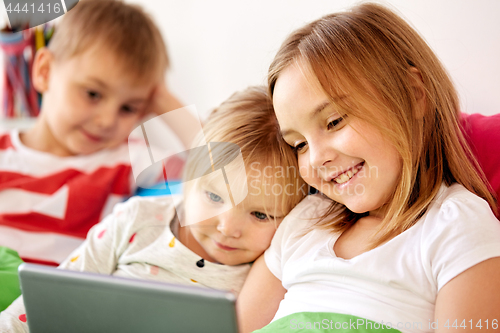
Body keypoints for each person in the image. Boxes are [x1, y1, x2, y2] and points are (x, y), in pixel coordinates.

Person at [237, 3, 500, 333]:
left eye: (334, 121)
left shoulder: (457, 228)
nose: (316, 158)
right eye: (299, 145)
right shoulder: (306, 221)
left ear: (413, 94)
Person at [0, 85, 307, 332]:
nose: (226, 227)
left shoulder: (267, 271)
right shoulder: (138, 218)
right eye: (213, 197)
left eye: (260, 214)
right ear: (189, 178)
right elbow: (50, 299)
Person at [0, 0, 195, 267]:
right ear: (45, 71)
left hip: (59, 302)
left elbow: (224, 173)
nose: (106, 121)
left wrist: (165, 102)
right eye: (93, 94)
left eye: (128, 107)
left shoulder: (128, 160)